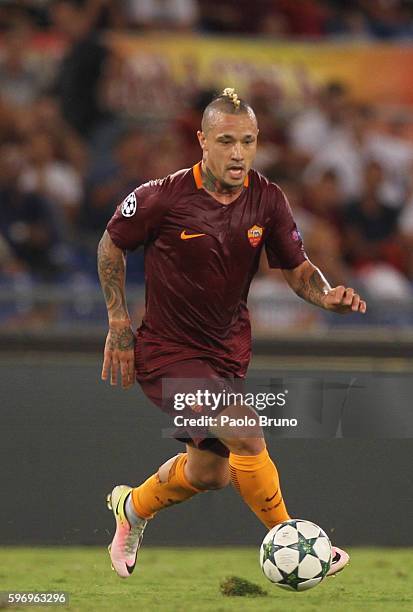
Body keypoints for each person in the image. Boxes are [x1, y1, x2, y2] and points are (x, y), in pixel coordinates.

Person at [98, 88, 366, 579]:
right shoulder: (163, 195)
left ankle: (131, 509)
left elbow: (297, 266)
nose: (238, 153)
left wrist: (325, 295)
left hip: (227, 352)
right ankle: (298, 542)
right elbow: (111, 244)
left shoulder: (267, 198)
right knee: (245, 430)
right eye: (226, 141)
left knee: (210, 473)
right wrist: (118, 322)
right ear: (202, 141)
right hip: (167, 352)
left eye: (247, 141)